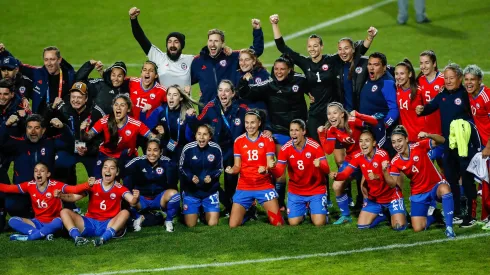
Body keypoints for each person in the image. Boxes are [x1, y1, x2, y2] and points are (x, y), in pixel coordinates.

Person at [270, 14, 377, 142]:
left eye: (315, 46)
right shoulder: (305, 62)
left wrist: (369, 38)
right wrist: (274, 24)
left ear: (321, 47)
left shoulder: (331, 60)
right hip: (315, 113)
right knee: (315, 149)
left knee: (340, 152)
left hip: (333, 113)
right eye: (309, 46)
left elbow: (356, 52)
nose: (312, 49)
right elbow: (283, 48)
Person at [237, 55, 309, 209]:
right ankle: (280, 203)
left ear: (289, 70)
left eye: (282, 69)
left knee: (302, 168)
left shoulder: (300, 81)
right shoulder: (269, 86)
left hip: (299, 132)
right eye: (276, 69)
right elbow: (246, 93)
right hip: (280, 133)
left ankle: (307, 200)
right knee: (280, 171)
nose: (279, 72)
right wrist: (243, 81)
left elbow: (317, 87)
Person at [416, 63, 480, 227]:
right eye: (446, 78)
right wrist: (422, 110)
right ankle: (457, 212)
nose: (449, 81)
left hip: (466, 146)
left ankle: (471, 215)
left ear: (459, 79)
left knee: (467, 179)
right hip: (449, 144)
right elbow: (432, 106)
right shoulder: (443, 94)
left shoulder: (466, 94)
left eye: (452, 78)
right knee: (451, 179)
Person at [187, 80, 248, 214]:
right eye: (220, 90)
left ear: (232, 93)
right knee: (208, 180)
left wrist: (267, 129)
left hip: (234, 151)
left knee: (230, 180)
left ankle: (231, 207)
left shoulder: (241, 109)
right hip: (215, 151)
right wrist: (190, 117)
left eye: (227, 91)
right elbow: (198, 126)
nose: (223, 93)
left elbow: (256, 119)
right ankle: (228, 203)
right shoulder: (210, 107)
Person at [383, 126, 455, 238]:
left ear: (406, 139)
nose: (397, 145)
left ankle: (449, 228)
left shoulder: (419, 146)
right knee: (418, 228)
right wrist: (385, 172)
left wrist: (428, 135)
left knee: (445, 189)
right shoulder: (395, 161)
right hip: (418, 192)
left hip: (435, 186)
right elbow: (392, 184)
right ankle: (435, 215)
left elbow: (442, 140)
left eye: (399, 140)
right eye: (393, 142)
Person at [330, 127, 407, 230]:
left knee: (399, 227)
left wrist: (378, 176)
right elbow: (344, 174)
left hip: (391, 197)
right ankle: (383, 214)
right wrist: (336, 175)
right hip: (374, 199)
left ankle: (398, 213)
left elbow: (391, 183)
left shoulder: (382, 155)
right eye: (361, 141)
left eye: (367, 141)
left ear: (374, 143)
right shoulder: (358, 156)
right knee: (362, 226)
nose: (363, 144)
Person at [0, 114, 74, 218]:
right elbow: (1, 142)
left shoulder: (50, 143)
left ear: (43, 130)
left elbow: (69, 143)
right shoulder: (18, 144)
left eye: (37, 128)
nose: (33, 131)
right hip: (24, 191)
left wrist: (63, 127)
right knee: (11, 205)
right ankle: (30, 216)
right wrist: (5, 125)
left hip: (45, 191)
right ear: (26, 129)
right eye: (29, 127)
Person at [318, 102, 379, 222]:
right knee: (337, 185)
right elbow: (329, 150)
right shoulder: (332, 130)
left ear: (341, 114)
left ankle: (376, 212)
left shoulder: (352, 121)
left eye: (334, 113)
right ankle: (345, 216)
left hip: (368, 158)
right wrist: (321, 134)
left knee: (365, 187)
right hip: (351, 159)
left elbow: (374, 122)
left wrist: (358, 115)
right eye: (329, 114)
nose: (331, 116)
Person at [0, 162, 91, 241]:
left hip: (54, 222)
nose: (38, 173)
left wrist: (88, 184)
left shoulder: (55, 185)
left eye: (42, 171)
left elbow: (74, 189)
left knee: (59, 221)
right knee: (13, 220)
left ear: (48, 174)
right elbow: (9, 188)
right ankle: (42, 234)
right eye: (36, 171)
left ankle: (31, 237)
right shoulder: (29, 185)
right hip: (38, 222)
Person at [59, 158, 139, 246]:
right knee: (64, 211)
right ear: (102, 170)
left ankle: (103, 238)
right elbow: (73, 197)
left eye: (112, 168)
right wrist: (60, 195)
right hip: (89, 222)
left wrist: (136, 198)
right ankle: (78, 238)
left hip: (108, 223)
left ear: (117, 172)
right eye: (105, 167)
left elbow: (132, 201)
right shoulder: (93, 185)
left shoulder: (120, 188)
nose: (108, 170)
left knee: (125, 213)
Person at [225, 109, 283, 228]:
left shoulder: (267, 140)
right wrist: (232, 170)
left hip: (264, 185)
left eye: (252, 123)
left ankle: (252, 207)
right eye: (246, 123)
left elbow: (270, 164)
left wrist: (266, 169)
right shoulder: (238, 141)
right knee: (233, 225)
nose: (249, 126)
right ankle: (248, 211)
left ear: (259, 123)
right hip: (244, 186)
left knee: (277, 223)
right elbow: (237, 166)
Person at [268, 119, 330, 226]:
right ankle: (305, 210)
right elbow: (278, 173)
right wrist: (272, 168)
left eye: (296, 130)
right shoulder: (285, 148)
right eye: (291, 130)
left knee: (319, 223)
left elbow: (327, 170)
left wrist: (320, 165)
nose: (293, 133)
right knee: (293, 223)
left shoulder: (314, 146)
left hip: (316, 189)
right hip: (296, 191)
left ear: (303, 131)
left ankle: (320, 212)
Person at [191, 20, 264, 107]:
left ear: (222, 44)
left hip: (231, 107)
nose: (212, 44)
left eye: (216, 41)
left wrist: (257, 30)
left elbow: (255, 51)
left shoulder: (232, 57)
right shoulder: (198, 61)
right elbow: (187, 79)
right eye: (210, 41)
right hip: (208, 108)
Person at [80, 94, 156, 178]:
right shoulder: (104, 121)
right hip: (106, 155)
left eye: (122, 105)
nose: (118, 108)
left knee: (131, 182)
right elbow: (87, 137)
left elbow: (153, 138)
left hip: (127, 157)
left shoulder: (136, 124)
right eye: (116, 104)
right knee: (97, 181)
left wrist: (161, 134)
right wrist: (82, 130)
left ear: (129, 109)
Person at [47, 82, 100, 200]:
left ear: (86, 98)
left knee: (98, 178)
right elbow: (43, 123)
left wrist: (89, 150)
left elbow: (101, 140)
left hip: (89, 151)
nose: (76, 100)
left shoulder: (96, 113)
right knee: (58, 166)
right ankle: (66, 204)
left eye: (79, 97)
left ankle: (95, 207)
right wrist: (51, 109)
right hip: (69, 149)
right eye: (73, 97)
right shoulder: (63, 109)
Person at [129, 7, 193, 88]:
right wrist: (133, 19)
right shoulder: (158, 57)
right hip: (164, 100)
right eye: (169, 42)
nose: (172, 45)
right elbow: (141, 38)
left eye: (176, 42)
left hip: (185, 101)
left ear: (182, 45)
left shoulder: (190, 60)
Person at [124, 139, 180, 232]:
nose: (152, 153)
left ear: (161, 152)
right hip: (141, 199)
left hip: (159, 199)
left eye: (155, 150)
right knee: (124, 194)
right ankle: (138, 217)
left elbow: (174, 180)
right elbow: (123, 172)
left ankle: (168, 220)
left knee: (175, 194)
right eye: (149, 150)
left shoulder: (166, 162)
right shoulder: (137, 162)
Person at [1, 45, 75, 115]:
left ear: (59, 60)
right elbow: (18, 65)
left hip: (62, 120)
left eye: (52, 59)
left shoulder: (69, 76)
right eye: (46, 60)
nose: (49, 63)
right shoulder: (38, 73)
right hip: (40, 121)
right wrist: (4, 52)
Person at [140, 84, 199, 163]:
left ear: (181, 98)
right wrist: (143, 113)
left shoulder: (187, 112)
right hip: (167, 148)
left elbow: (195, 134)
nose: (171, 97)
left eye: (174, 95)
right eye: (169, 94)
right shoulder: (160, 111)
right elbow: (145, 126)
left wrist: (191, 119)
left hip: (184, 149)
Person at [179, 124, 223, 227]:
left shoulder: (216, 149)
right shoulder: (188, 148)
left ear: (210, 136)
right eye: (199, 134)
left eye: (205, 134)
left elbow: (220, 168)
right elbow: (181, 167)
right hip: (192, 192)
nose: (202, 137)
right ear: (195, 136)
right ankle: (192, 211)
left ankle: (203, 211)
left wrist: (211, 177)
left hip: (209, 191)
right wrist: (191, 177)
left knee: (213, 224)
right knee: (190, 225)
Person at [463, 64, 490, 228]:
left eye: (472, 79)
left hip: (488, 146)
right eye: (466, 80)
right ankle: (487, 216)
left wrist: (488, 146)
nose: (469, 82)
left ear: (480, 80)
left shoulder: (486, 96)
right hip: (483, 146)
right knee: (485, 184)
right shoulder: (471, 95)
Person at [359, 52, 399, 156]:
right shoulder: (369, 77)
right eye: (370, 64)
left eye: (376, 65)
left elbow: (394, 109)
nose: (371, 68)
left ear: (384, 67)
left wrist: (384, 125)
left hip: (380, 133)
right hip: (368, 130)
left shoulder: (387, 83)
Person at [417, 50, 445, 162]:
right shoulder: (420, 80)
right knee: (428, 163)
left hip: (442, 128)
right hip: (427, 128)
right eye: (421, 63)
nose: (423, 66)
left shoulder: (444, 80)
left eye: (427, 63)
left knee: (444, 165)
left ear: (434, 64)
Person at [395, 59, 425, 142]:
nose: (398, 77)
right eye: (396, 74)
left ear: (410, 74)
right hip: (406, 138)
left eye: (402, 74)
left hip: (420, 137)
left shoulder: (419, 91)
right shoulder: (397, 89)